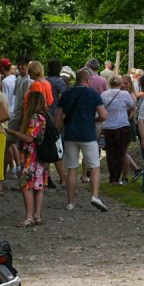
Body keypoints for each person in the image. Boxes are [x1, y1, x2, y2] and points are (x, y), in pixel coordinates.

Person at [59, 70, 109, 211]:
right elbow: (104, 115)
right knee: (94, 166)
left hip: (70, 134)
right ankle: (94, 196)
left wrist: (57, 131)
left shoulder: (67, 94)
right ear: (88, 80)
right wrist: (95, 120)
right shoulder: (93, 94)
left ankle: (70, 202)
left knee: (72, 168)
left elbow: (58, 116)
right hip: (88, 134)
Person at [6, 90, 49, 226]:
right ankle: (37, 216)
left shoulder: (34, 118)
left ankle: (29, 217)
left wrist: (12, 132)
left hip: (32, 156)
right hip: (42, 156)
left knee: (26, 185)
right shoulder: (45, 116)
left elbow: (30, 138)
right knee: (39, 186)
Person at [100, 74, 136, 184]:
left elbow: (101, 107)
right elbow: (132, 106)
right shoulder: (124, 94)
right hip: (122, 125)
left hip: (108, 126)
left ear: (109, 83)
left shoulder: (104, 94)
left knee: (110, 153)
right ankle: (117, 177)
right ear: (120, 84)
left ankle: (112, 177)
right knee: (120, 153)